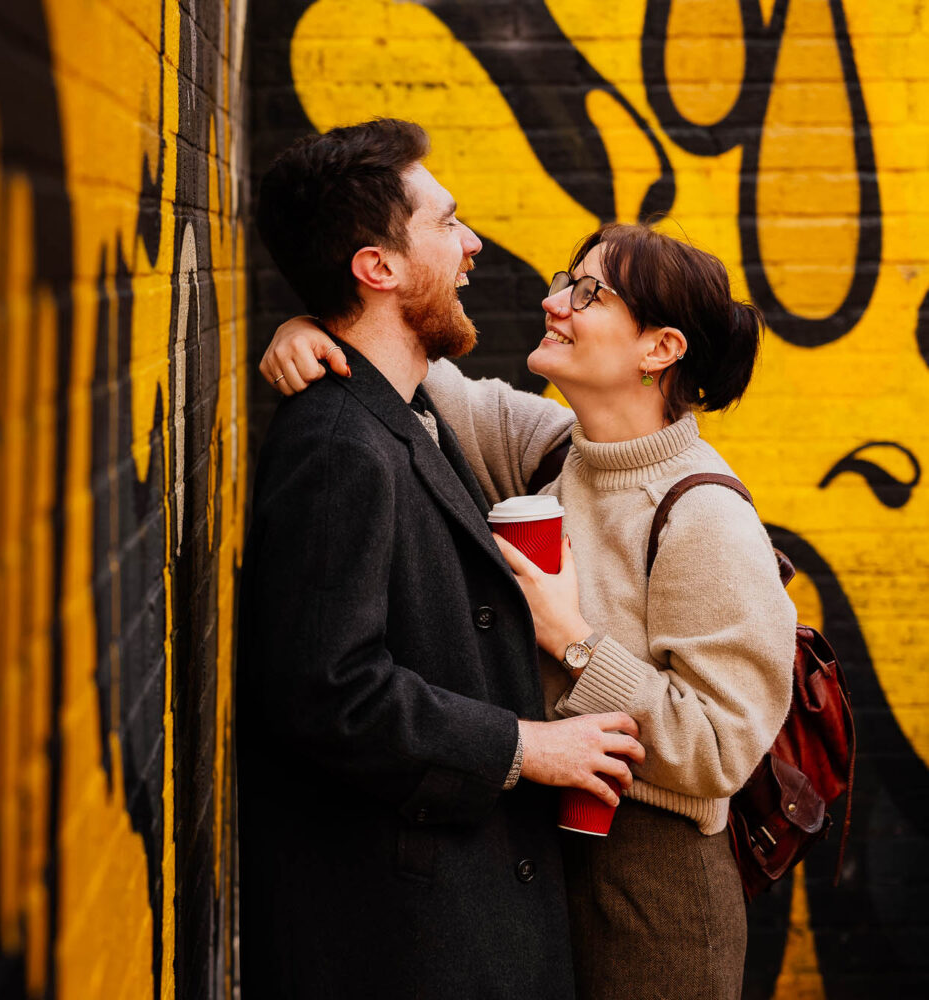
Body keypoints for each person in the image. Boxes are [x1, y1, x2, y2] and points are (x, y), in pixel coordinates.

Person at [263, 219, 798, 998]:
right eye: (563, 279)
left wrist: (572, 639)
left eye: (588, 292)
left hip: (653, 883)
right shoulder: (556, 449)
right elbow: (392, 365)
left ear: (661, 349)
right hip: (539, 860)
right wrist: (303, 329)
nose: (555, 302)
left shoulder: (704, 516)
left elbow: (720, 748)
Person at [240, 118, 646, 1000]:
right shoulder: (339, 445)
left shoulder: (406, 406)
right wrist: (527, 747)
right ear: (378, 267)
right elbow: (324, 690)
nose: (473, 247)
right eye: (448, 222)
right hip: (406, 949)